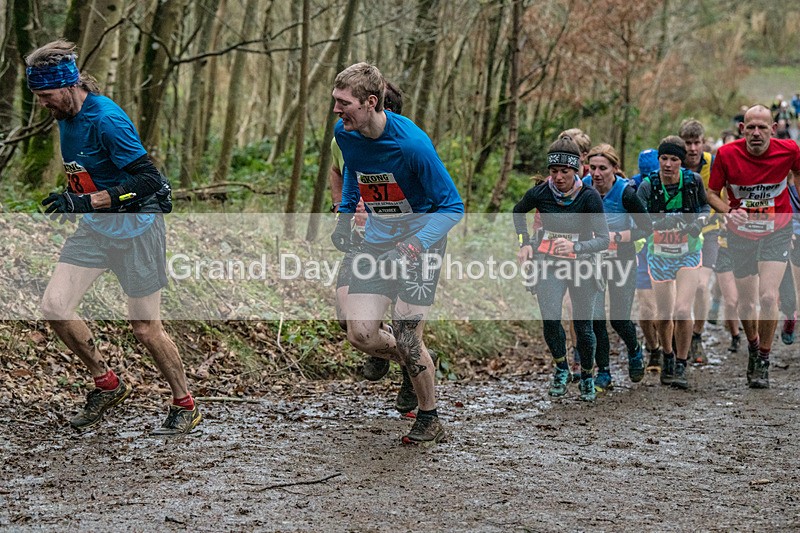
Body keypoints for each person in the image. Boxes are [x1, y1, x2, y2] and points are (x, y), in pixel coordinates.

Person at [28, 40, 200, 434]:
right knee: (55, 306)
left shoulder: (106, 119)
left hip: (138, 230)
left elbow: (148, 180)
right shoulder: (65, 115)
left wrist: (86, 201)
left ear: (68, 85)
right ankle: (106, 383)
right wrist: (78, 200)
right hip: (96, 231)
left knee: (145, 328)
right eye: (37, 97)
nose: (42, 104)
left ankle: (184, 403)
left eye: (46, 96)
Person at [330, 62, 463, 445]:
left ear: (371, 102)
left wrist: (412, 246)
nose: (337, 111)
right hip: (377, 241)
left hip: (423, 241)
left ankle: (429, 417)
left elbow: (452, 207)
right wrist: (344, 216)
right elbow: (354, 172)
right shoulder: (346, 134)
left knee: (406, 335)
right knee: (361, 334)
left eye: (344, 103)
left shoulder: (412, 145)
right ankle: (421, 360)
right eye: (335, 101)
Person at [328, 81, 423, 417]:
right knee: (345, 316)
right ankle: (401, 355)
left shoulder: (407, 144)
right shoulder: (344, 137)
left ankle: (414, 367)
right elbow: (338, 170)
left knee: (403, 322)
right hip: (362, 239)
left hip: (404, 245)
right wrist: (341, 206)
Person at [707, 104, 800, 389]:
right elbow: (711, 192)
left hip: (777, 230)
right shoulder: (726, 154)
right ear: (742, 130)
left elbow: (797, 174)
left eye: (762, 127)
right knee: (747, 302)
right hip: (741, 234)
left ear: (773, 129)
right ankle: (752, 345)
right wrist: (727, 210)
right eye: (751, 127)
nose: (756, 133)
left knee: (769, 297)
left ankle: (763, 358)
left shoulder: (790, 150)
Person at [514, 137, 609, 402]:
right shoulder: (541, 192)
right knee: (551, 319)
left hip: (583, 265)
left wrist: (576, 248)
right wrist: (524, 244)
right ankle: (560, 368)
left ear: (576, 170)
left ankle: (588, 375)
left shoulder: (589, 197)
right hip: (548, 262)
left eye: (564, 172)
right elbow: (516, 211)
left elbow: (603, 238)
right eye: (553, 172)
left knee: (583, 325)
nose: (557, 178)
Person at [637, 136, 711, 389]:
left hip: (688, 252)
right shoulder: (648, 185)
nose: (668, 164)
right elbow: (639, 216)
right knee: (664, 315)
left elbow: (704, 207)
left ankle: (681, 363)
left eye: (674, 159)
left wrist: (698, 223)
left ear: (682, 161)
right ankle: (667, 354)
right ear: (659, 159)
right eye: (664, 159)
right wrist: (657, 224)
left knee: (682, 310)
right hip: (658, 255)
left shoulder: (693, 181)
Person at [583, 144, 650, 391]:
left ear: (615, 169)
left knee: (619, 318)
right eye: (593, 168)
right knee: (596, 318)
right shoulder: (583, 189)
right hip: (593, 262)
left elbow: (646, 227)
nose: (597, 173)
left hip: (622, 260)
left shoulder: (626, 193)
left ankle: (634, 349)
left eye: (603, 168)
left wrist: (619, 237)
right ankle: (604, 372)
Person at [678, 119, 717, 364]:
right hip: (678, 234)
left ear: (704, 143)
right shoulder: (672, 162)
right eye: (688, 143)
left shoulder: (713, 163)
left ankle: (697, 336)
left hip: (709, 230)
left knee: (702, 287)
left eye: (697, 143)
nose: (692, 148)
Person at [630, 148, 662, 371]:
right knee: (646, 309)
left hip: (672, 253)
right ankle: (654, 349)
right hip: (642, 253)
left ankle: (672, 350)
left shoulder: (676, 182)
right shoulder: (631, 188)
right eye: (645, 175)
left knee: (668, 309)